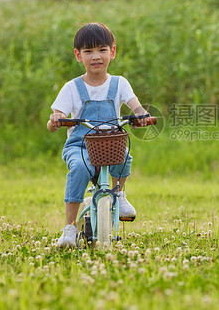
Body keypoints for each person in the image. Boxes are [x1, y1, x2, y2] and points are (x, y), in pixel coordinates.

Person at [47, 22, 149, 248]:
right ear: (78, 55)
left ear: (112, 52)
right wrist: (56, 120)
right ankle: (69, 229)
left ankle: (119, 194)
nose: (96, 56)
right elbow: (58, 113)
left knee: (124, 155)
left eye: (102, 50)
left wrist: (141, 115)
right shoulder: (72, 87)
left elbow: (135, 106)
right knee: (80, 170)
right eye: (88, 51)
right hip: (80, 146)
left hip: (110, 144)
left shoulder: (119, 83)